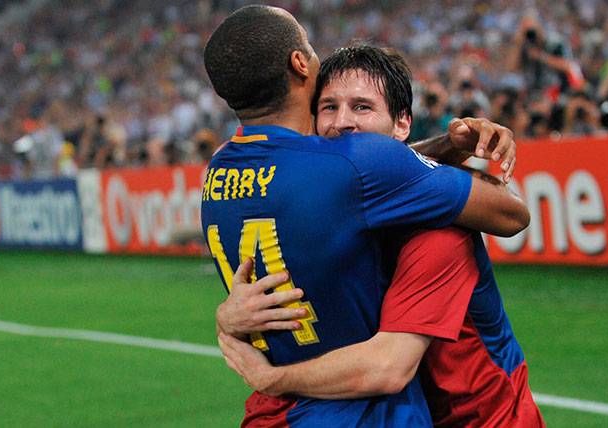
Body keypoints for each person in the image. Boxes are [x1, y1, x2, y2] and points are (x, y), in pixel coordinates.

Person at [202, 6, 528, 427]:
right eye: (329, 107)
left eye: (361, 107)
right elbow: (364, 169)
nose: (343, 124)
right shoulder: (355, 175)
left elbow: (363, 171)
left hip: (484, 417)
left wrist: (230, 326)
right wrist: (230, 325)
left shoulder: (220, 169)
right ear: (300, 63)